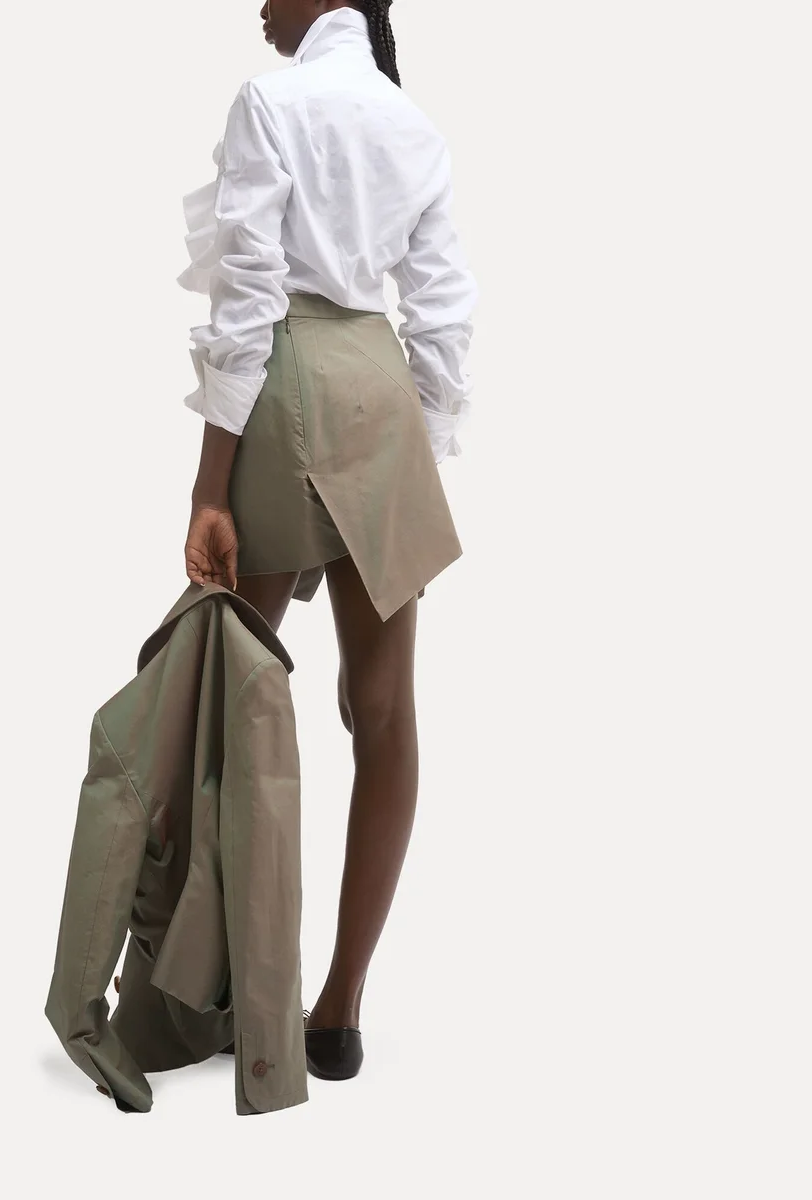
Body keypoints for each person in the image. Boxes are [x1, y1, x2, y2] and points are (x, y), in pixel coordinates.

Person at [177, 0, 478, 1080]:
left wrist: (209, 485)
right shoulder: (411, 122)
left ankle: (224, 995)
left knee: (233, 695)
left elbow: (248, 297)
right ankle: (337, 1011)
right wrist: (408, 458)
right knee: (383, 710)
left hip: (288, 378)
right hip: (382, 387)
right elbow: (440, 312)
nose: (257, 4)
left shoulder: (273, 101)